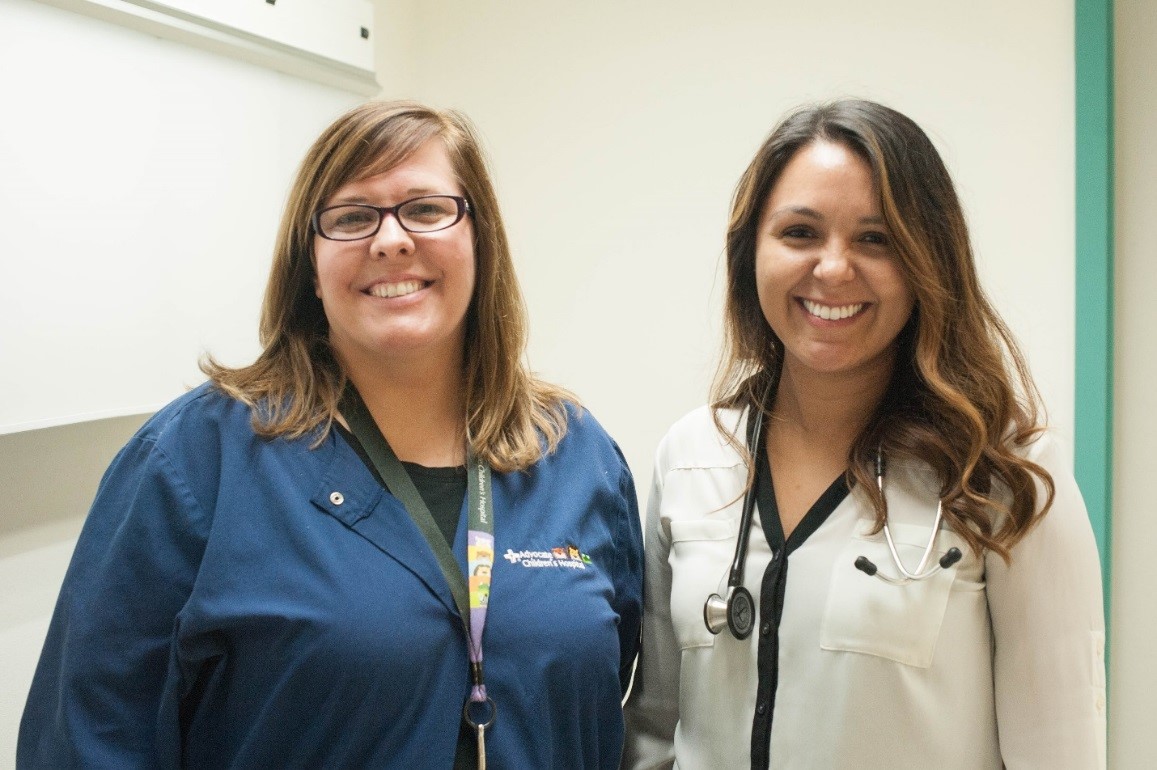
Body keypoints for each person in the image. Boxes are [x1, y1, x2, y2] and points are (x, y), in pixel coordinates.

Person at [19, 100, 643, 768]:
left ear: (479, 239)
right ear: (308, 270)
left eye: (427, 209)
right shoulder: (194, 462)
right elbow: (87, 738)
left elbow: (616, 697)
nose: (391, 240)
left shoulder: (577, 457)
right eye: (351, 218)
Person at [621, 99, 1105, 769]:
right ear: (748, 252)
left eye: (875, 239)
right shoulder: (690, 456)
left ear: (926, 262)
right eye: (798, 232)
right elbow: (653, 730)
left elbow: (1060, 749)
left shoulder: (1007, 476)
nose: (832, 269)